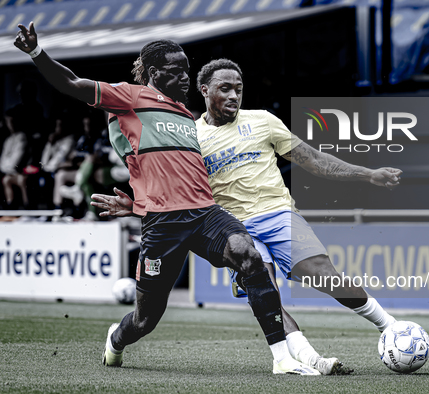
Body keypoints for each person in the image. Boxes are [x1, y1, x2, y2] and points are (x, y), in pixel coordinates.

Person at [14, 23, 319, 375]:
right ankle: (116, 340)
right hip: (163, 224)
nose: (186, 78)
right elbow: (71, 83)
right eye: (177, 72)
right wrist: (37, 53)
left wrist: (136, 200)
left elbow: (173, 171)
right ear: (155, 73)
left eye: (187, 71)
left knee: (247, 255)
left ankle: (282, 358)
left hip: (206, 214)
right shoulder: (130, 97)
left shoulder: (186, 115)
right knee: (146, 320)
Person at [92, 58, 402, 373]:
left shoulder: (264, 121)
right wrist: (136, 206)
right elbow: (173, 190)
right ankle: (310, 359)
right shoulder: (188, 134)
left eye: (238, 89)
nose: (233, 96)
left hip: (278, 214)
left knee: (322, 273)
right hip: (232, 228)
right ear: (204, 90)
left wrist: (369, 174)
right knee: (266, 288)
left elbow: (314, 159)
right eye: (224, 88)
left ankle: (389, 325)